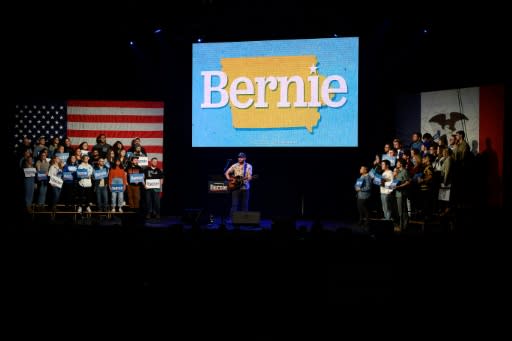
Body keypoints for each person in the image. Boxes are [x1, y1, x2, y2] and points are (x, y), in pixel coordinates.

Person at [224, 152, 253, 217]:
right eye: (239, 157)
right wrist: (230, 179)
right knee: (234, 204)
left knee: (244, 205)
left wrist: (248, 178)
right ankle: (232, 219)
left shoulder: (248, 166)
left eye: (241, 157)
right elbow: (226, 173)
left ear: (244, 158)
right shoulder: (234, 165)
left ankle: (244, 219)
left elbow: (249, 176)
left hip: (245, 188)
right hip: (235, 187)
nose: (239, 159)